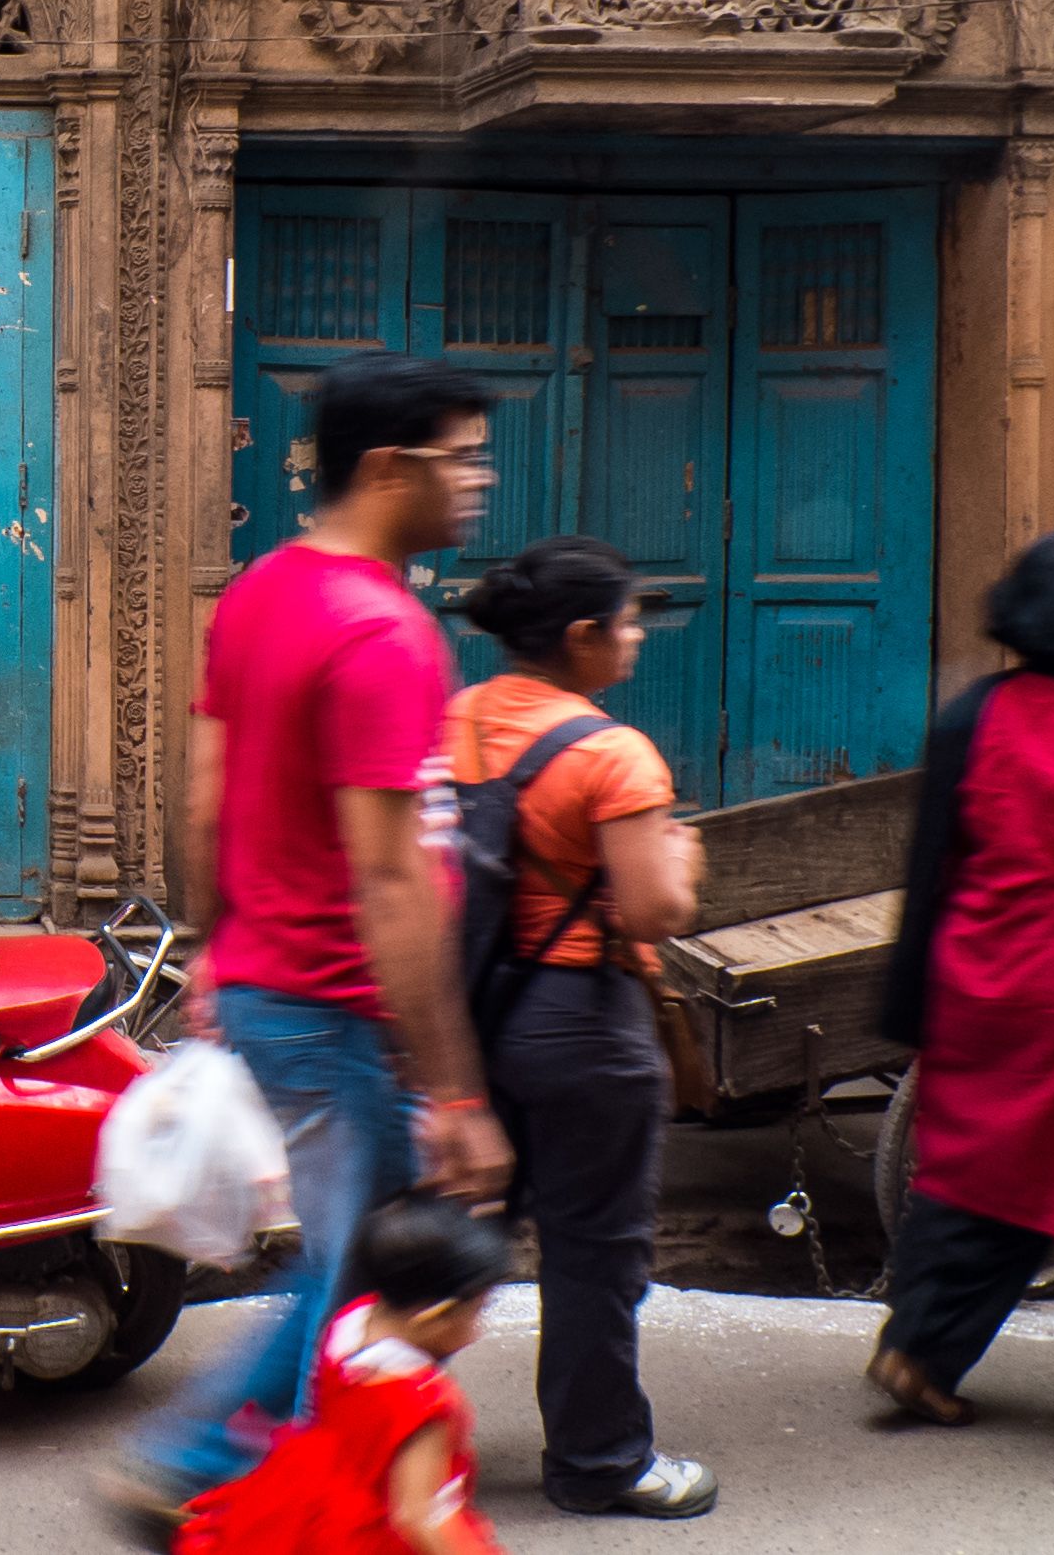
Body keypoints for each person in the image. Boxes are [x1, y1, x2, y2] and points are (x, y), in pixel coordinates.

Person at [108, 351, 514, 1540]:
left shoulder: (260, 592)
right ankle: (238, 1490)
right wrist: (451, 1087)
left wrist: (218, 945)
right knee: (359, 1286)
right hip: (342, 1011)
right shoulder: (381, 633)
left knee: (345, 1263)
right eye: (463, 456)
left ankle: (209, 1466)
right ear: (389, 469)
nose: (478, 481)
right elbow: (391, 877)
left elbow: (205, 798)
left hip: (274, 986)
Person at [447, 537, 716, 1519]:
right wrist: (680, 858)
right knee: (593, 1252)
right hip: (581, 1024)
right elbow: (651, 911)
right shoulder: (609, 753)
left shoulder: (455, 721)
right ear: (578, 636)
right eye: (627, 619)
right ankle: (599, 1459)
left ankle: (367, 1434)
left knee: (447, 1234)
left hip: (470, 1008)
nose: (637, 636)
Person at [870, 526, 1054, 1424]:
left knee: (979, 1179)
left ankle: (917, 1351)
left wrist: (910, 1001)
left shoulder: (974, 713)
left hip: (985, 977)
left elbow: (930, 869)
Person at [176, 1195, 517, 1555]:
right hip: (366, 1534)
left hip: (311, 1496)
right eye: (476, 1312)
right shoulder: (424, 1404)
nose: (477, 1329)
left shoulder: (352, 1319)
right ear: (434, 1315)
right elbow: (419, 1517)